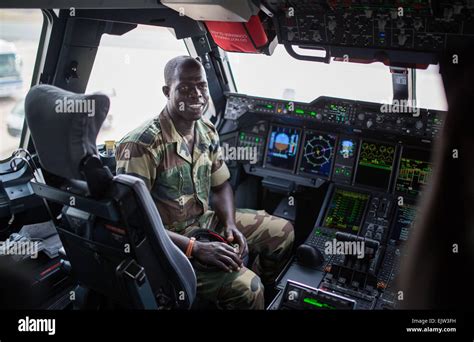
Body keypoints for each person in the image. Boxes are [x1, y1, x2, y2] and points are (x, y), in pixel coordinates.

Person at [115, 55, 294, 309]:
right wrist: (195, 248)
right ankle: (247, 292)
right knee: (249, 288)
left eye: (201, 85)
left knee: (283, 233)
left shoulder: (206, 130)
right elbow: (135, 224)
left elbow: (221, 187)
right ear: (167, 91)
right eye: (185, 88)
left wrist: (231, 224)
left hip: (205, 223)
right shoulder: (142, 144)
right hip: (166, 246)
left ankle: (254, 291)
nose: (197, 94)